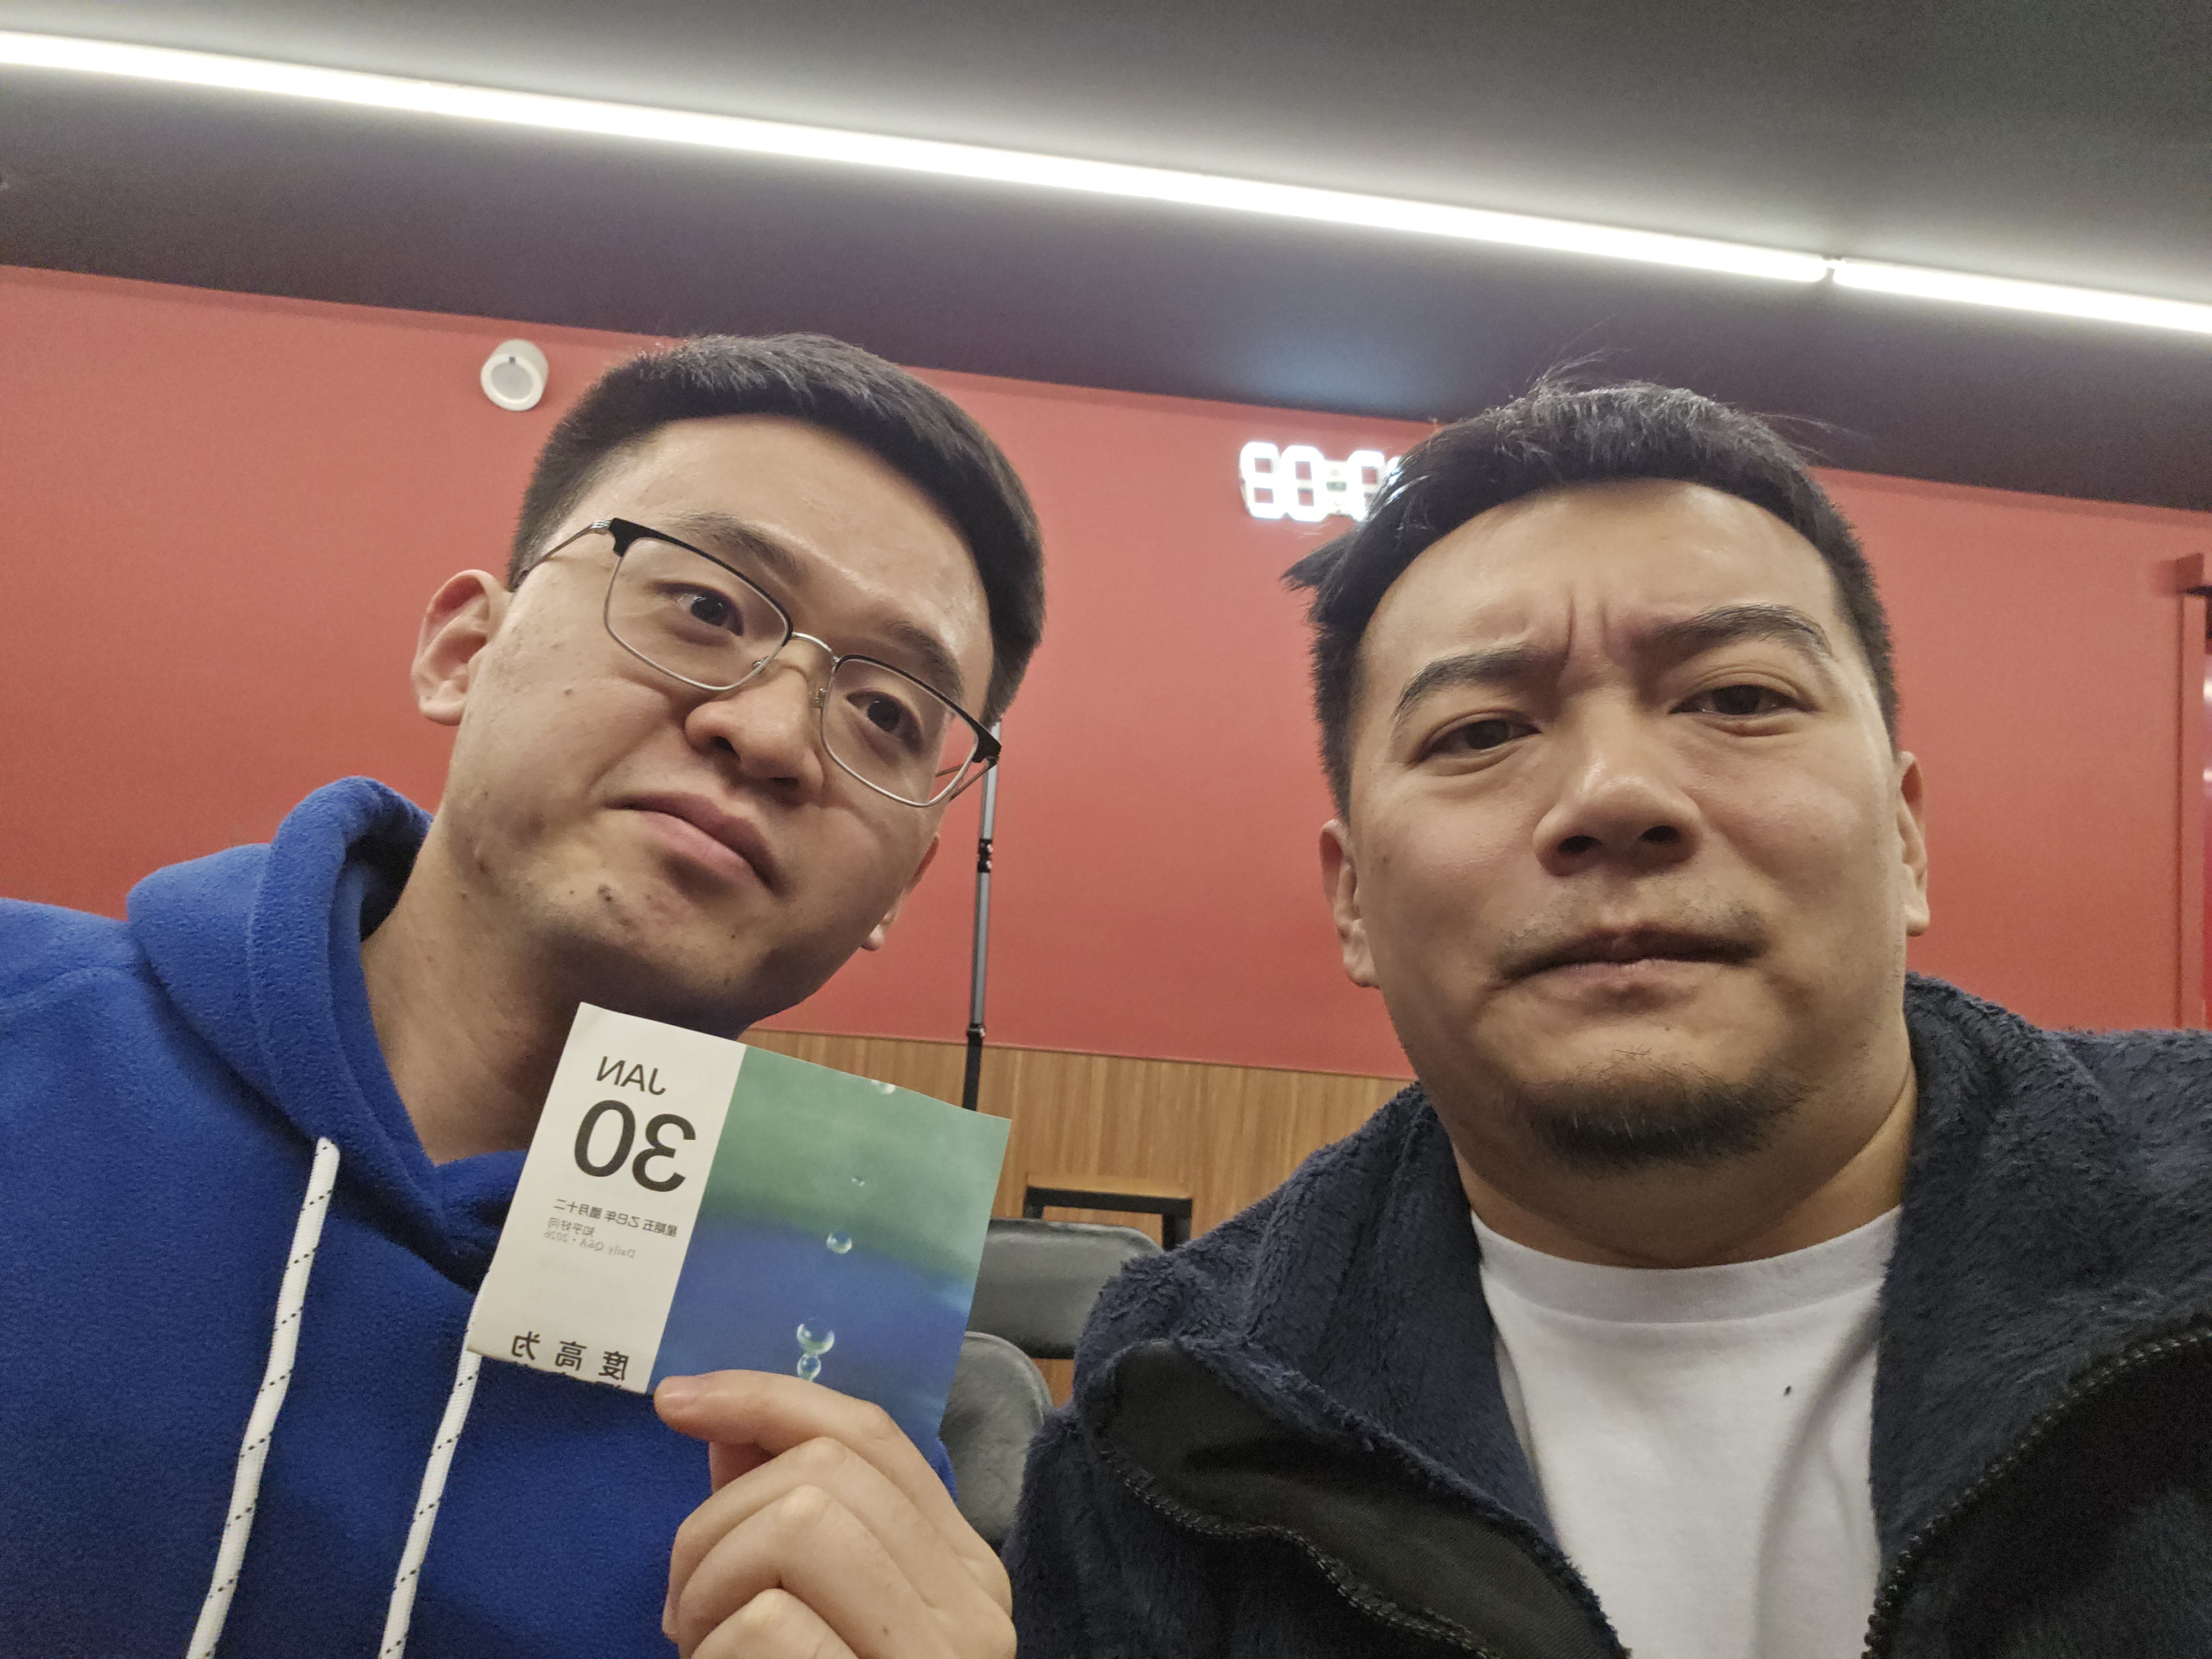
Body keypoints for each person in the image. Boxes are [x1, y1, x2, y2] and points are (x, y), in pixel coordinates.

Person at [1005, 379, 2212, 1658]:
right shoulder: (1167, 1432)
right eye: (1480, 730)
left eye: (1736, 699)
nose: (1615, 794)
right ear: (1351, 900)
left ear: (1903, 837)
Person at [0, 334, 1040, 1659]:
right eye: (705, 606)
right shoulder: (24, 1026)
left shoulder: (834, 1417)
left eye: (887, 713)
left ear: (905, 884)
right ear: (462, 648)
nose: (773, 734)